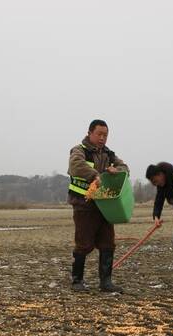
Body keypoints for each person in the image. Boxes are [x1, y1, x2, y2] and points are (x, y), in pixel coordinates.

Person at [67, 119, 129, 293]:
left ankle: (106, 282)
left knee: (108, 243)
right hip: (83, 204)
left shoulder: (109, 154)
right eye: (99, 134)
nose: (102, 138)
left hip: (105, 205)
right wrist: (96, 175)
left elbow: (124, 167)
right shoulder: (79, 150)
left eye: (105, 135)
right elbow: (76, 166)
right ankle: (77, 280)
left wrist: (117, 170)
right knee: (84, 244)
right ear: (90, 133)